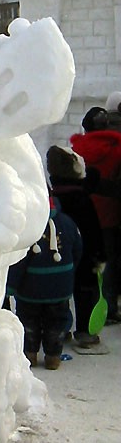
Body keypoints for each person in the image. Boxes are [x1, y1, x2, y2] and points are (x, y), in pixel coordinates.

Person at [6, 196, 82, 370]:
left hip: (30, 290)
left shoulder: (29, 228)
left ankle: (29, 354)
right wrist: (67, 273)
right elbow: (77, 250)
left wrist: (10, 287)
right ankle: (53, 357)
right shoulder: (68, 223)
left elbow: (19, 262)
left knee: (29, 322)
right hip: (59, 289)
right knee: (56, 323)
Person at [46, 145, 106, 345]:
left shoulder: (53, 196)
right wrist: (100, 255)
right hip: (86, 253)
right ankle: (84, 331)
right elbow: (93, 229)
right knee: (86, 292)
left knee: (59, 293)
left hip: (59, 252)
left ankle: (60, 329)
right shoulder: (81, 198)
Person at [71, 107, 121, 323]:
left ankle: (86, 308)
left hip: (82, 213)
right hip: (111, 213)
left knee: (84, 261)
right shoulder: (117, 149)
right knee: (111, 260)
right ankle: (108, 308)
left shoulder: (76, 149)